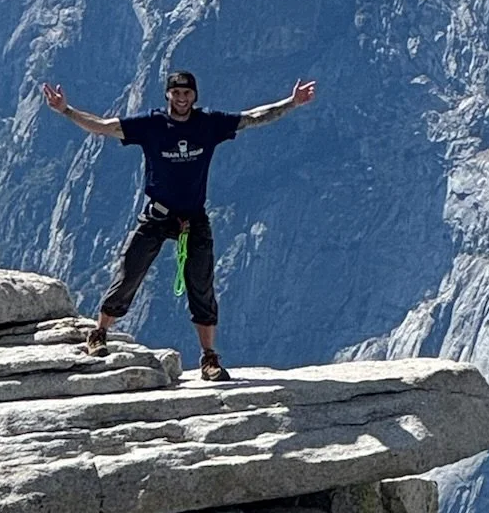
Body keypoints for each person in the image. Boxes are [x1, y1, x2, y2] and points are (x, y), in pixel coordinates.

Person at [40, 68, 316, 381]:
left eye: (187, 93)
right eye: (176, 92)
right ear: (168, 95)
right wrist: (66, 111)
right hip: (157, 216)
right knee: (130, 273)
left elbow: (252, 117)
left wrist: (291, 103)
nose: (182, 98)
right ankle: (99, 333)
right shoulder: (151, 125)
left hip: (193, 218)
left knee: (202, 286)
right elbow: (103, 127)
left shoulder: (208, 123)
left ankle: (209, 358)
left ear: (194, 96)